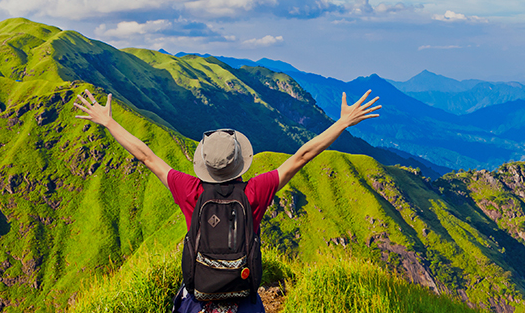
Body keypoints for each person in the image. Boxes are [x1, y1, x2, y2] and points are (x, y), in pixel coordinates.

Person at [72, 88, 383, 313]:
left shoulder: (190, 190)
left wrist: (109, 122)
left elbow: (146, 156)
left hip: (198, 300)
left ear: (204, 164)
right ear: (239, 162)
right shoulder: (255, 192)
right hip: (243, 299)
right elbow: (302, 156)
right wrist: (342, 123)